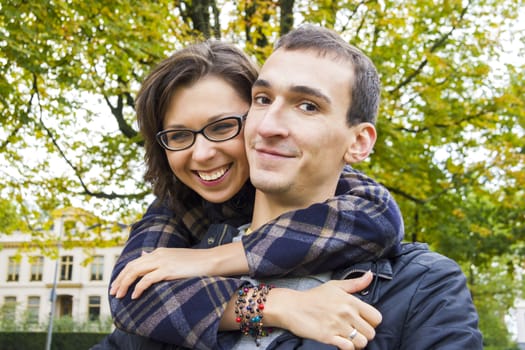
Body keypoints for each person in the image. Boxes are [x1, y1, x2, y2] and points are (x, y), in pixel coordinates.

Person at [110, 25, 482, 349]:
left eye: (307, 106)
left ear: (359, 143)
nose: (203, 153)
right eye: (263, 100)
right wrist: (275, 305)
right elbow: (130, 295)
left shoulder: (420, 286)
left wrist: (213, 260)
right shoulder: (178, 220)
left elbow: (377, 215)